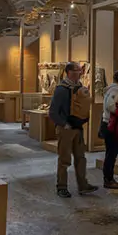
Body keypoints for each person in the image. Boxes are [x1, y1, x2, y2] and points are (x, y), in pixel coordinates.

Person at [49, 62, 97, 198]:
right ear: (69, 72)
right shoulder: (61, 89)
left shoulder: (80, 87)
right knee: (64, 160)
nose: (80, 72)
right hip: (66, 129)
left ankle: (83, 185)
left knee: (81, 158)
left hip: (78, 128)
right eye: (76, 70)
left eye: (80, 70)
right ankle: (62, 187)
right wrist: (64, 124)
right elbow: (53, 112)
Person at [100, 69, 118, 189]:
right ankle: (108, 179)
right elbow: (110, 105)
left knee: (110, 153)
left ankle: (108, 178)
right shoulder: (115, 90)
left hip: (107, 123)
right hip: (111, 124)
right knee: (112, 153)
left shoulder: (111, 89)